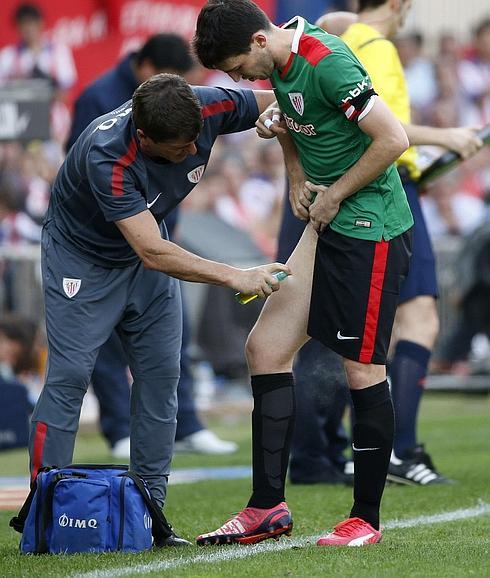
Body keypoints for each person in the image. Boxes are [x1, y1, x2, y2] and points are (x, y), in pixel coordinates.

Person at [29, 72, 287, 546]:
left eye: (196, 143)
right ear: (144, 138)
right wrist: (237, 275)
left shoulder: (208, 107)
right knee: (68, 379)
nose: (192, 154)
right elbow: (153, 250)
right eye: (178, 148)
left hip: (145, 259)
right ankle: (44, 512)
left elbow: (288, 98)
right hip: (83, 261)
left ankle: (149, 514)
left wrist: (284, 120)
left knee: (162, 377)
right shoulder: (106, 154)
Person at [193, 0, 413, 546]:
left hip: (370, 229)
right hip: (327, 225)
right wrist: (294, 173)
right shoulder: (282, 61)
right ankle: (268, 507)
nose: (239, 79)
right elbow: (291, 117)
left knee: (361, 370)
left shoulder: (326, 60)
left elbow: (393, 139)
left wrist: (333, 194)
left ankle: (366, 519)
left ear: (260, 41)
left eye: (238, 67)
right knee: (265, 349)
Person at [330, 0, 484, 485]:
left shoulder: (342, 41)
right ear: (397, 4)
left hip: (361, 189)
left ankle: (367, 447)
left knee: (371, 328)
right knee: (419, 318)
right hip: (389, 189)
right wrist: (448, 136)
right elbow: (386, 130)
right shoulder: (375, 46)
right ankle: (399, 450)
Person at [67, 33, 238, 458]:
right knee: (104, 338)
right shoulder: (98, 98)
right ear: (148, 71)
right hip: (104, 239)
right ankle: (119, 428)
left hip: (157, 229)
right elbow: (87, 170)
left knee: (172, 331)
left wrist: (168, 227)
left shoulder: (182, 101)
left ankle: (188, 425)